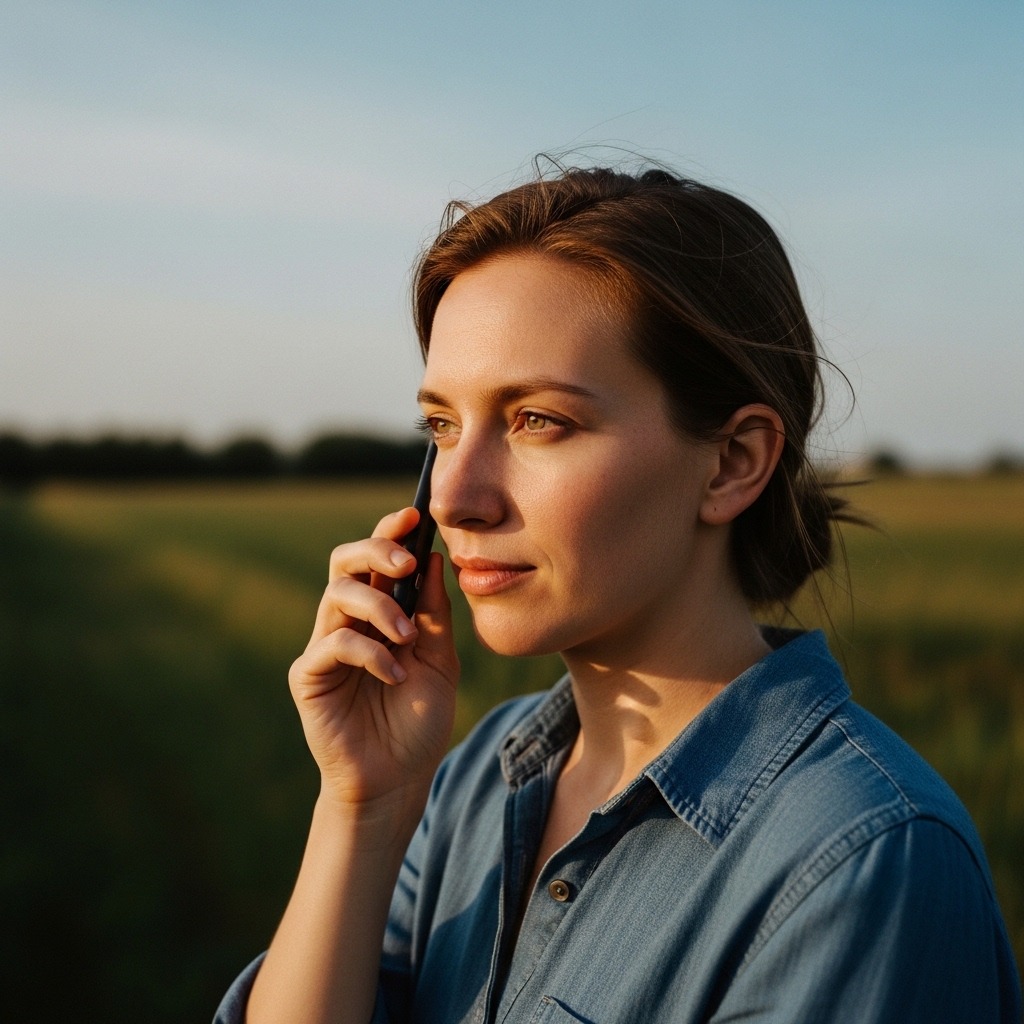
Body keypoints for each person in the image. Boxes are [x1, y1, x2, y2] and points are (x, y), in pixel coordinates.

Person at [215, 164, 1021, 1023]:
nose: (453, 497)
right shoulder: (471, 781)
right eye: (442, 427)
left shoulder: (862, 861)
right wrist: (363, 810)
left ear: (732, 462)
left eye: (539, 422)